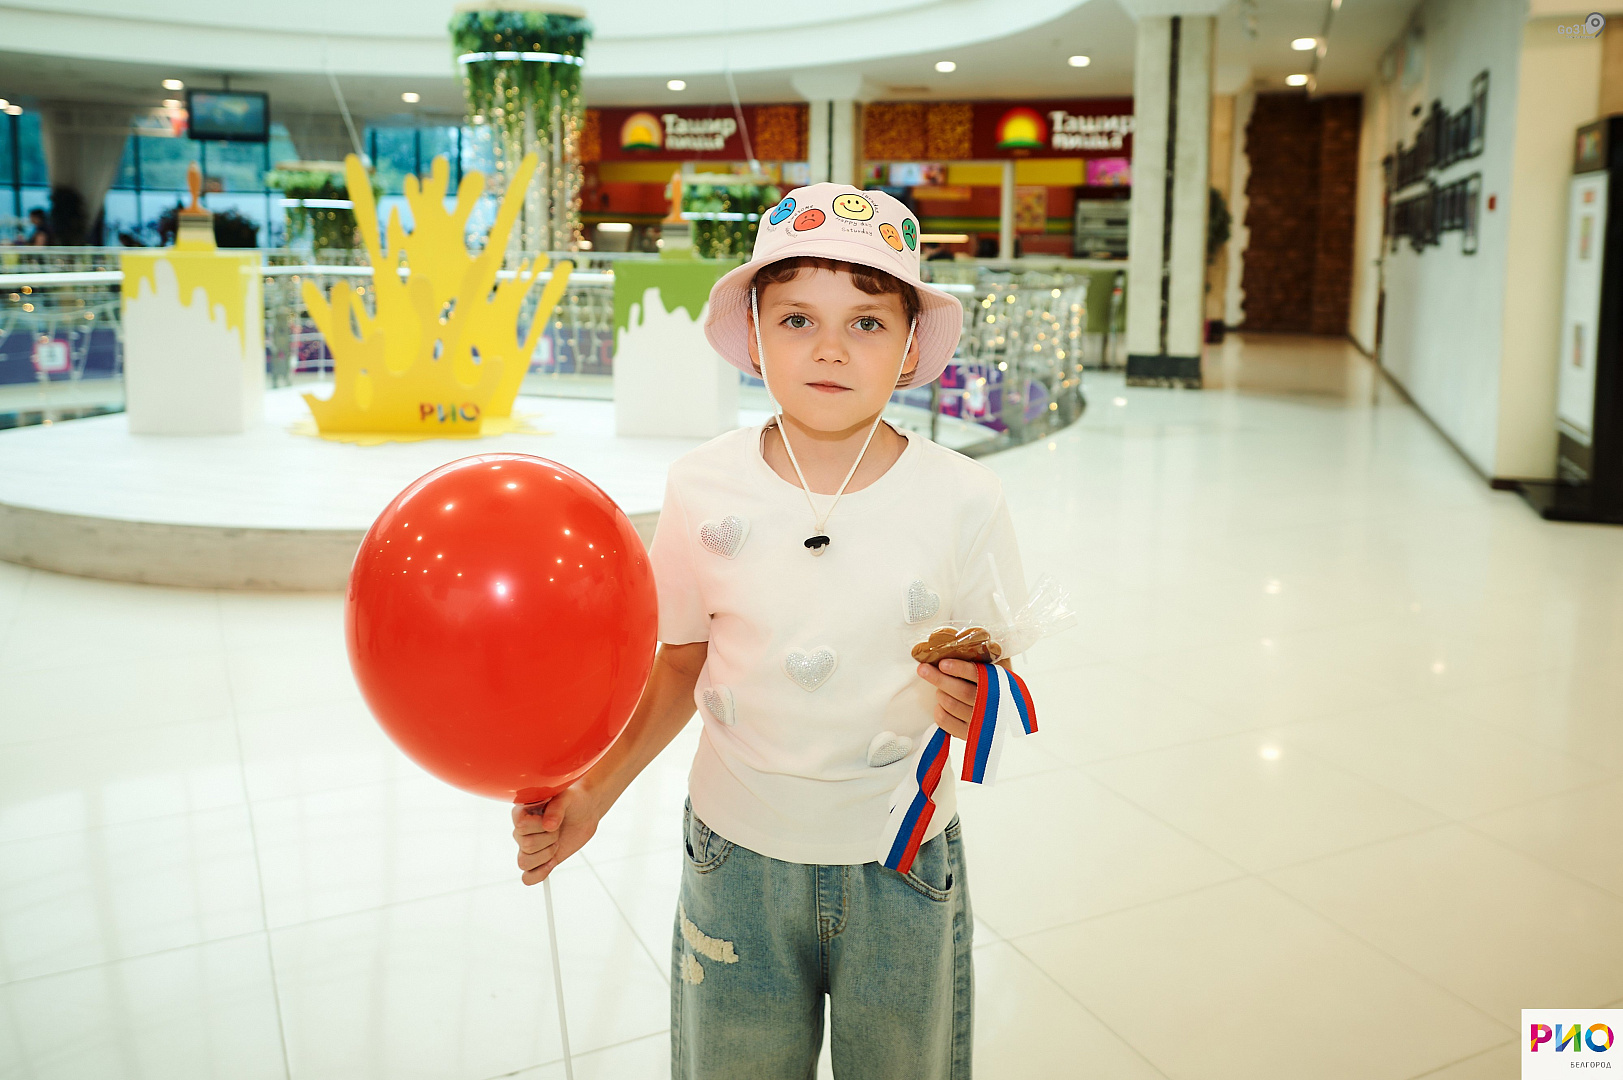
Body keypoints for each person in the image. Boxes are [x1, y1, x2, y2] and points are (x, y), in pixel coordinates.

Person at [510, 183, 1027, 1079]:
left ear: (910, 345)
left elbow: (992, 668)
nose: (829, 348)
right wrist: (592, 793)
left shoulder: (964, 498)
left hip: (903, 855)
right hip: (734, 857)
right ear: (754, 335)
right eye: (796, 320)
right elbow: (680, 663)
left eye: (866, 322)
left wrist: (976, 695)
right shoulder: (700, 486)